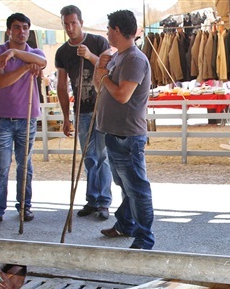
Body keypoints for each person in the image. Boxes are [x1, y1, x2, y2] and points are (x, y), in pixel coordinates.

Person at [95, 10, 155, 250]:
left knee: (137, 188)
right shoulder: (119, 56)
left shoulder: (134, 59)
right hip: (115, 133)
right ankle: (125, 223)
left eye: (109, 29)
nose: (107, 33)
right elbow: (105, 89)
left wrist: (103, 77)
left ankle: (144, 237)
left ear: (117, 30)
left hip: (127, 136)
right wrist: (102, 70)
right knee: (126, 185)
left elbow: (122, 95)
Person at [0, 13, 46, 229]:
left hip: (27, 118)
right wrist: (24, 67)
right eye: (17, 27)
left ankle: (24, 206)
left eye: (25, 28)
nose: (22, 32)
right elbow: (1, 81)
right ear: (9, 30)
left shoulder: (34, 52)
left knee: (25, 166)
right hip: (2, 118)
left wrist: (15, 53)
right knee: (1, 166)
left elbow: (43, 61)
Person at [55, 5, 112, 221]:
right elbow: (61, 86)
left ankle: (104, 201)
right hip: (81, 109)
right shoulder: (62, 52)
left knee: (101, 156)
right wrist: (66, 117)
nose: (70, 28)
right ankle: (92, 199)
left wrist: (89, 56)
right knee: (88, 157)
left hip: (101, 107)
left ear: (81, 22)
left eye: (73, 23)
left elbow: (109, 68)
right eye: (66, 24)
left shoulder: (98, 42)